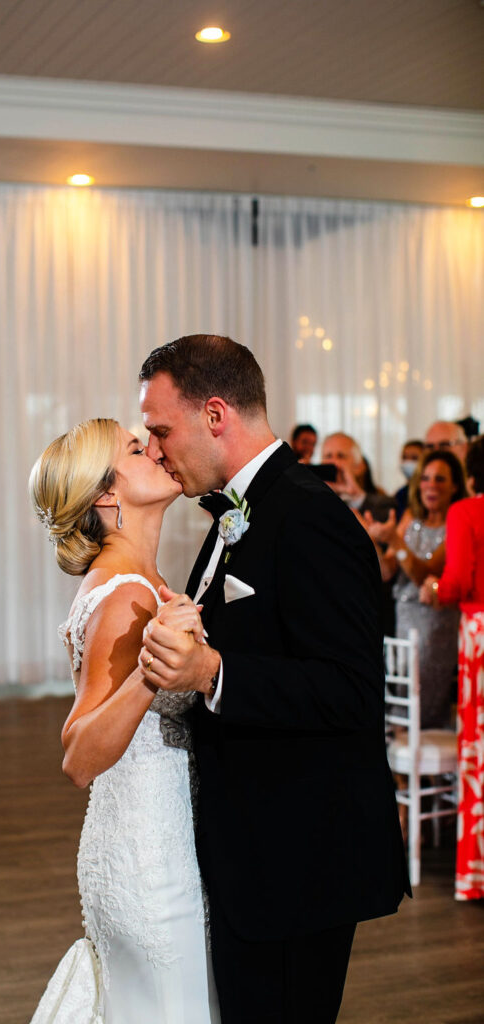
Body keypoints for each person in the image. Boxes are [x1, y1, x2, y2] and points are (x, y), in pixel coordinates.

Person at [137, 335, 409, 1024]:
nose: (156, 448)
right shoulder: (236, 511)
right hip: (254, 849)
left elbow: (348, 690)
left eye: (161, 429)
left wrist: (212, 670)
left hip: (298, 856)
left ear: (216, 415)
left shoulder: (310, 517)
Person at [29, 418, 220, 1023]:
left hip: (151, 838)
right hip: (149, 859)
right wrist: (153, 667)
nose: (156, 451)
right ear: (107, 494)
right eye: (137, 450)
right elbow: (79, 755)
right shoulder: (126, 595)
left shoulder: (139, 583)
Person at [420, 436, 484, 902]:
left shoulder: (467, 511)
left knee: (478, 749)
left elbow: (458, 580)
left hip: (479, 629)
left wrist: (435, 588)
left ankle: (475, 873)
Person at [366, 450, 466, 729]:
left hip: (436, 622)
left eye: (440, 479)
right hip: (405, 617)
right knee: (402, 693)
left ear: (455, 486)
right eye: (425, 478)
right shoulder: (410, 517)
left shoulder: (456, 524)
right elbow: (386, 571)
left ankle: (425, 765)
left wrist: (395, 541)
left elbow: (426, 572)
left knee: (424, 702)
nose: (430, 485)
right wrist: (371, 539)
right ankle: (407, 764)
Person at [321, 431, 395, 521]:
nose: (333, 462)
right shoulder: (314, 499)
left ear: (359, 467)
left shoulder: (384, 504)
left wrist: (356, 496)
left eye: (341, 456)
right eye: (328, 456)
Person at [394, 439, 424, 520]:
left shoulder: (427, 491)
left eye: (414, 458)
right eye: (404, 457)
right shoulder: (401, 493)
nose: (408, 462)